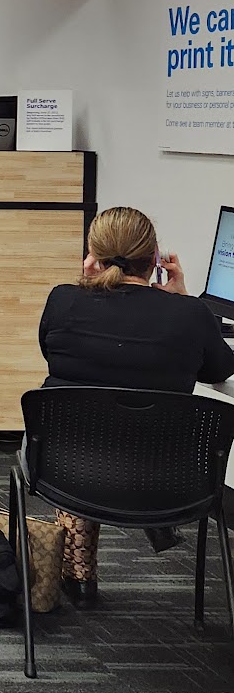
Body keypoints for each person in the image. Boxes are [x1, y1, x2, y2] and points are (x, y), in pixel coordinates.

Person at [37, 205, 234, 602]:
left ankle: (79, 574)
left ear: (94, 256)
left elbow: (52, 354)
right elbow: (219, 368)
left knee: (79, 431)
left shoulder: (63, 301)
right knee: (117, 438)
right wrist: (183, 300)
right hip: (170, 482)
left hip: (67, 474)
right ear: (155, 258)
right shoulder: (192, 315)